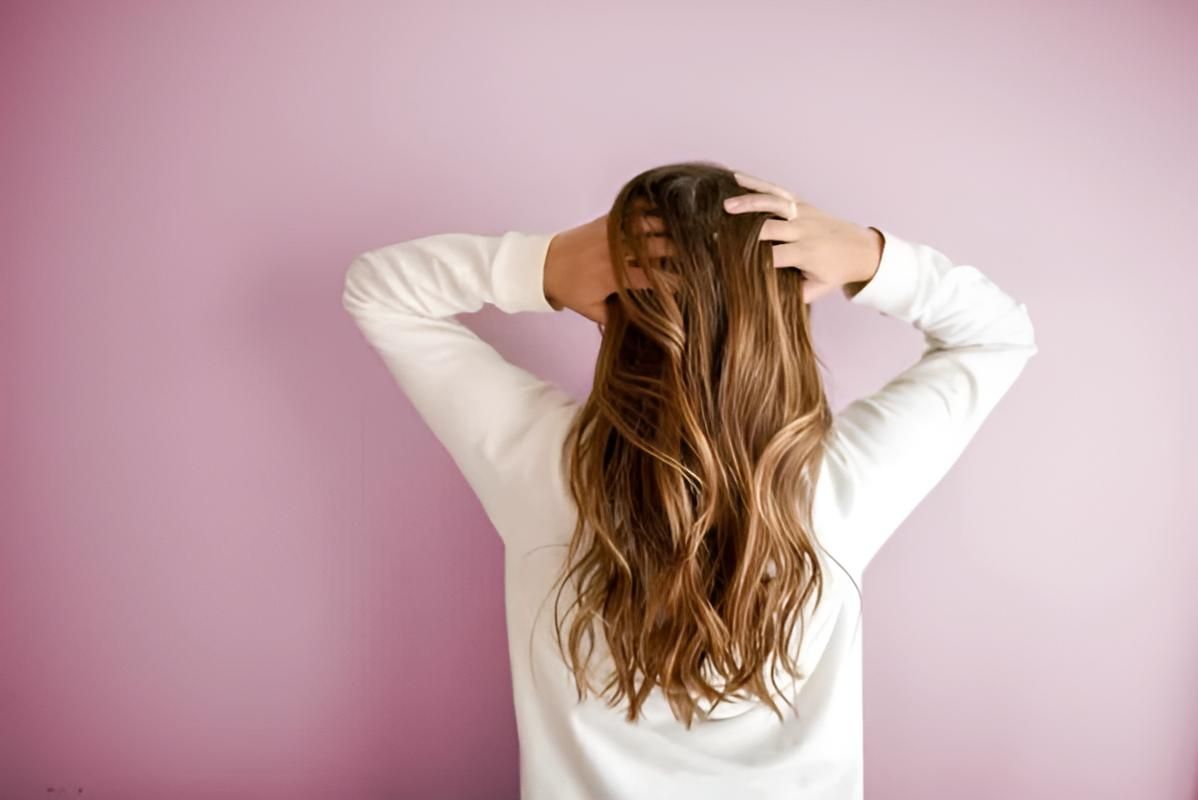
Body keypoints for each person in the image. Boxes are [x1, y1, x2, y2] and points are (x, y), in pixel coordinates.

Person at [341, 161, 1038, 799]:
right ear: (787, 318)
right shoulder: (837, 489)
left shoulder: (546, 468)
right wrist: (867, 257)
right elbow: (998, 334)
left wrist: (545, 265)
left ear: (614, 307)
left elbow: (379, 290)